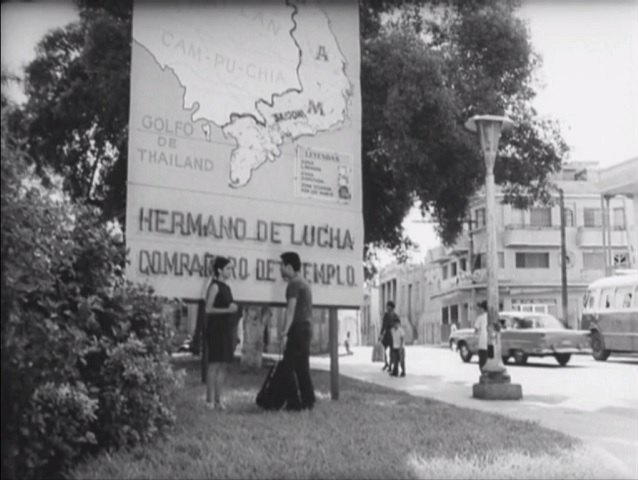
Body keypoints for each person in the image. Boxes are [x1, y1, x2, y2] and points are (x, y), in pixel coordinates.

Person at [279, 251, 316, 411]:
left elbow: (291, 309)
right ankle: (308, 400)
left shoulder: (293, 284)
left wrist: (284, 332)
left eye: (281, 265)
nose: (280, 269)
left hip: (297, 328)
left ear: (288, 267)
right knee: (302, 367)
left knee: (287, 367)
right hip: (306, 328)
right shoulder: (304, 282)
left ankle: (293, 403)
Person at [204, 256, 239, 410]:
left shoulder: (227, 287)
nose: (230, 271)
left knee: (224, 364)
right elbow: (208, 309)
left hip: (226, 329)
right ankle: (209, 400)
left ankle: (218, 399)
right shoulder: (214, 286)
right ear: (219, 270)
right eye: (228, 268)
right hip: (215, 329)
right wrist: (227, 310)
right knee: (214, 364)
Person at [379, 301, 399, 371]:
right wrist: (381, 334)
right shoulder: (386, 315)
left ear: (391, 307)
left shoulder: (395, 316)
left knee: (392, 351)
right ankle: (386, 363)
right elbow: (383, 326)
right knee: (383, 349)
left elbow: (398, 326)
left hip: (393, 335)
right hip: (387, 335)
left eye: (388, 306)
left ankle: (390, 365)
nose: (386, 307)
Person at [474, 300, 491, 372]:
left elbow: (476, 330)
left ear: (482, 308)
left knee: (482, 361)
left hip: (482, 342)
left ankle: (484, 373)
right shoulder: (491, 317)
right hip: (490, 342)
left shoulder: (480, 317)